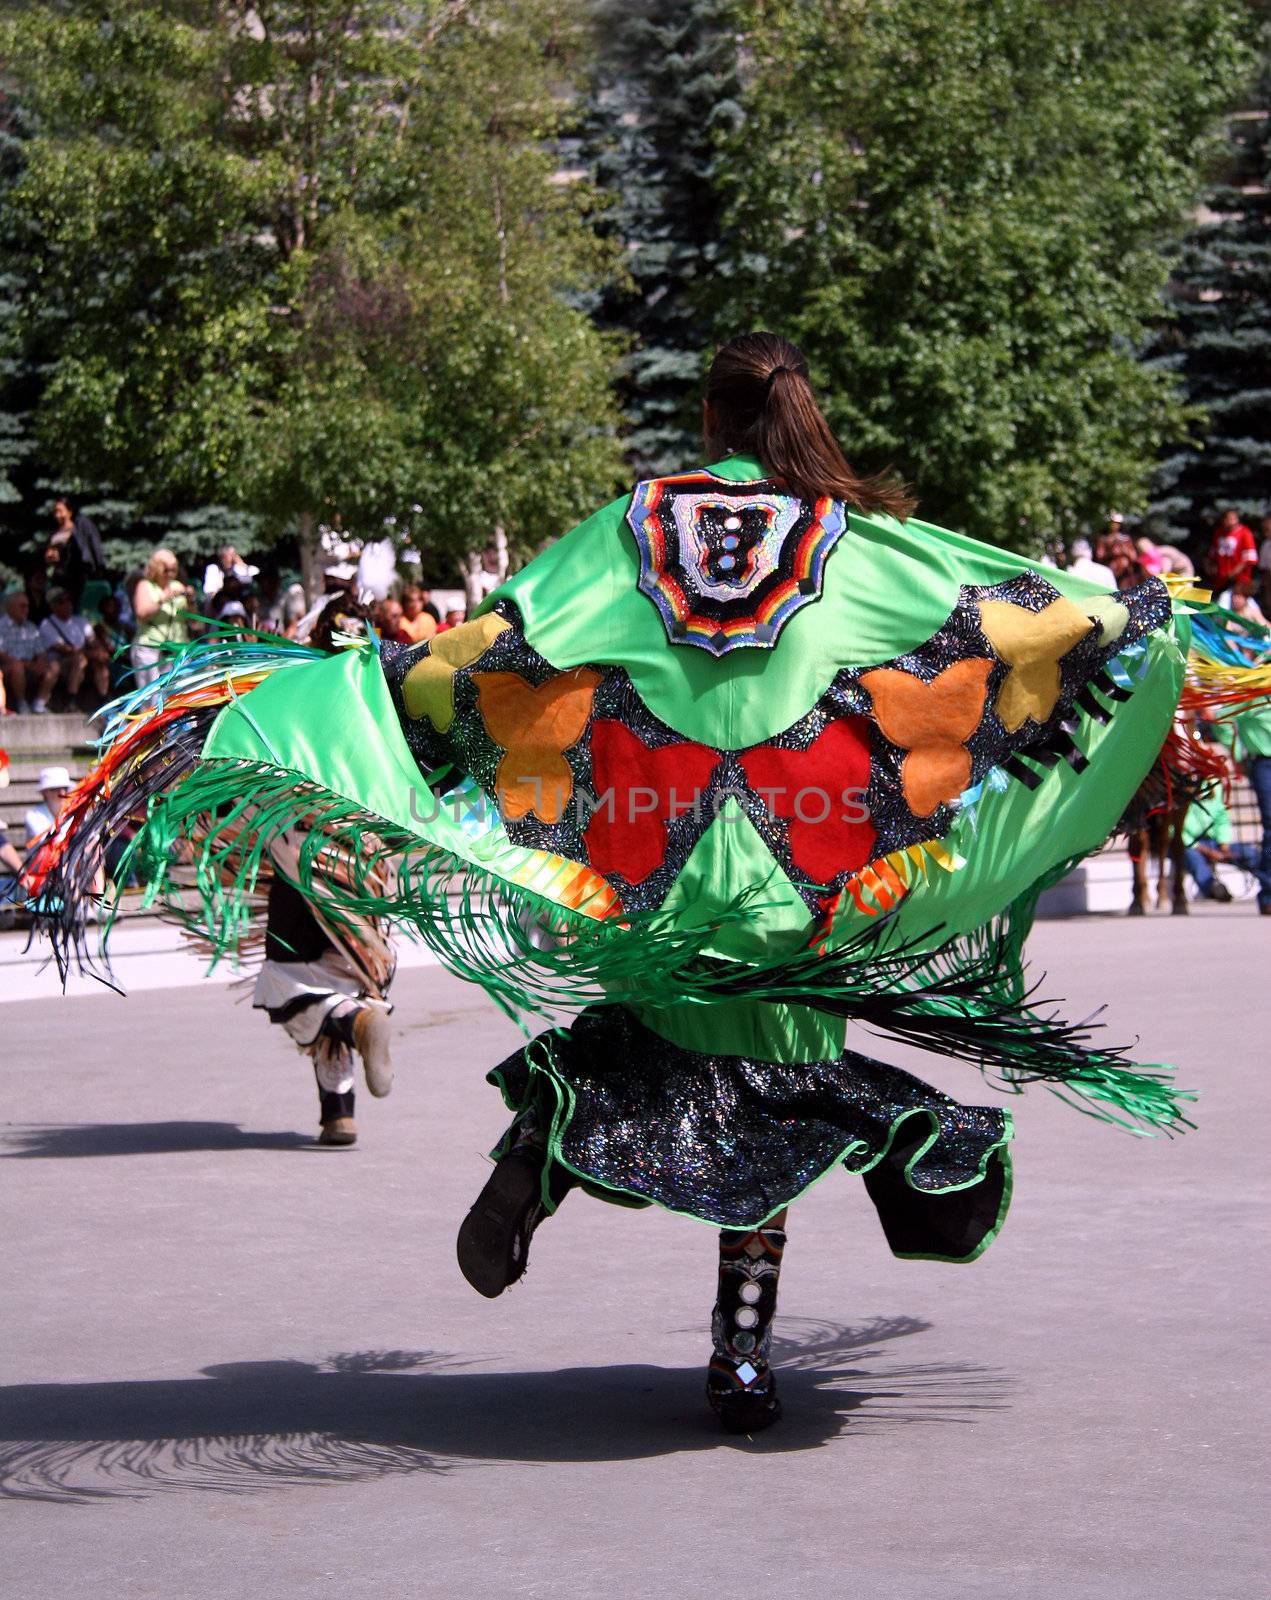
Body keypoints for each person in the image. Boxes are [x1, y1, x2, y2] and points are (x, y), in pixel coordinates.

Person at [34, 332, 1252, 1436]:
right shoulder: (857, 537)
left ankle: (539, 1159)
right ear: (799, 420)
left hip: (649, 861)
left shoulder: (635, 525)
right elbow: (1006, 615)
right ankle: (737, 1353)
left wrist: (360, 684)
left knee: (643, 1035)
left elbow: (505, 640)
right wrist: (1142, 609)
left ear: (710, 425)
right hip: (802, 869)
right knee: (776, 1097)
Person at [1181, 778, 1271, 904]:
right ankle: (1213, 888)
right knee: (1193, 858)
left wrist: (1224, 845)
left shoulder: (1213, 784)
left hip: (1213, 841)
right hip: (1188, 844)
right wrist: (1205, 850)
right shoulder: (1179, 787)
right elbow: (1175, 830)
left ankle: (1267, 883)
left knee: (1249, 853)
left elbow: (1221, 816)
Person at [131, 548, 192, 687]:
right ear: (156, 568)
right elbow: (141, 613)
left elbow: (195, 622)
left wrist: (192, 600)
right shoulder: (145, 586)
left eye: (173, 570)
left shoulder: (178, 585)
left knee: (179, 696)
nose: (170, 574)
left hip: (178, 649)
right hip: (149, 649)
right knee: (151, 698)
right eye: (166, 570)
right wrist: (165, 598)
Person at [0, 591, 58, 714]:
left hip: (30, 665)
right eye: (22, 606)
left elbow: (41, 651)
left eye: (27, 606)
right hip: (9, 666)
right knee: (17, 667)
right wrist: (26, 664)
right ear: (10, 607)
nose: (26, 610)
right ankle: (21, 703)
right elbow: (1, 653)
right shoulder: (1, 625)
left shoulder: (31, 627)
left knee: (54, 666)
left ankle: (39, 703)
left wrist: (41, 662)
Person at [38, 590, 96, 708]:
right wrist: (91, 653)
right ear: (53, 606)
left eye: (69, 601)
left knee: (97, 665)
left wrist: (99, 651)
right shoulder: (47, 624)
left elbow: (93, 641)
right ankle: (70, 700)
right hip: (59, 662)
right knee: (79, 660)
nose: (67, 604)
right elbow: (63, 649)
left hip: (83, 660)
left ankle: (105, 700)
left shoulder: (80, 621)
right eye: (61, 602)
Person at [44, 497, 106, 607]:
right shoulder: (55, 532)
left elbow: (85, 552)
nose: (57, 515)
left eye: (60, 511)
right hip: (57, 579)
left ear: (69, 512)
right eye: (55, 511)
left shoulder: (79, 530)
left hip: (75, 580)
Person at [1208, 509, 1257, 593]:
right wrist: (1211, 567)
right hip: (1220, 579)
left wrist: (1233, 573)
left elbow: (1249, 559)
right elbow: (1213, 553)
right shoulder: (1219, 533)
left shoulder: (1245, 533)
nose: (1230, 522)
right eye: (1227, 519)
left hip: (1240, 580)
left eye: (1232, 519)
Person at [24, 764, 71, 846]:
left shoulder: (77, 812)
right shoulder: (33, 816)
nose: (62, 793)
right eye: (55, 789)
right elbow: (50, 843)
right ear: (44, 792)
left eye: (65, 788)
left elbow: (93, 838)